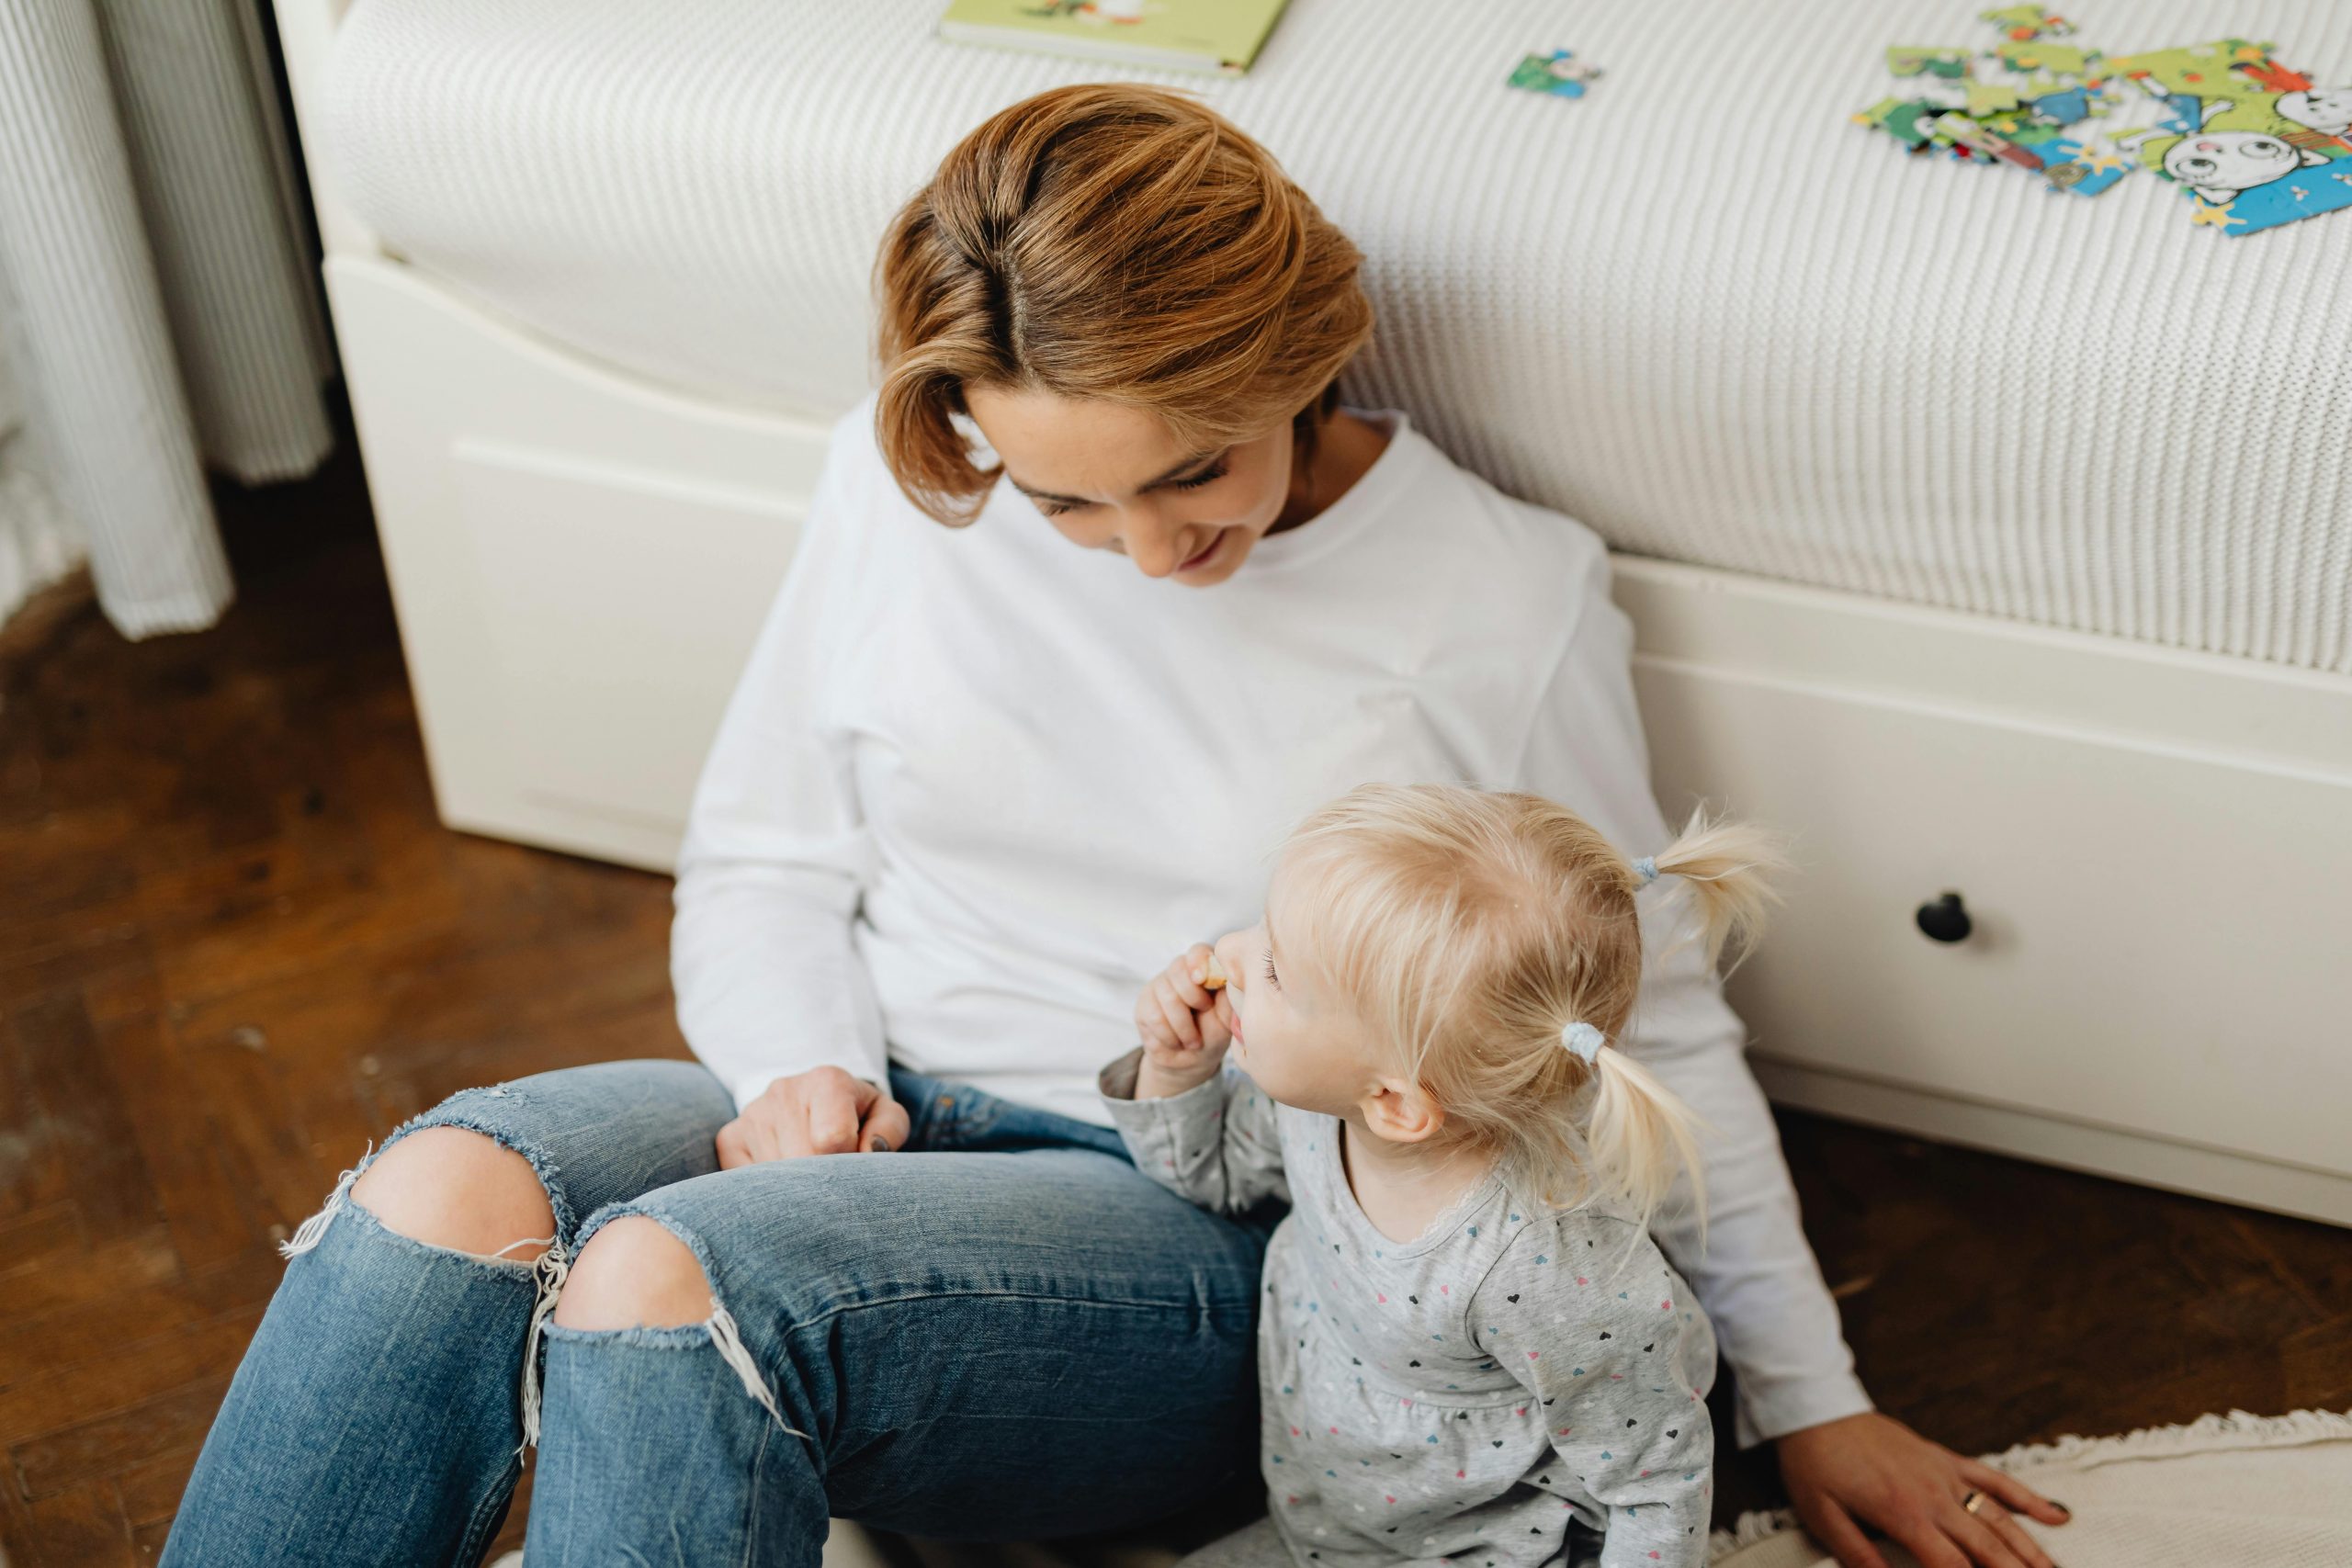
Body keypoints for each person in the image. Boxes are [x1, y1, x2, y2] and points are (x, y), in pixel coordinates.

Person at [163, 84, 2069, 1568]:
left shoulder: (1492, 597)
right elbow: (765, 856)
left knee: (670, 1287)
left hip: (1208, 1209)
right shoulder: (892, 486)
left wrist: (1810, 1399)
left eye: (1194, 469)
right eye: (1066, 503)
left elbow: (1638, 1021)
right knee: (444, 1202)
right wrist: (796, 1060)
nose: (1148, 552)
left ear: (1304, 351)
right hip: (885, 1100)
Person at [1107, 784, 1781, 1568]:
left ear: (1395, 1102)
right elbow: (1207, 1179)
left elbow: (1657, 1480)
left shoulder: (1547, 1262)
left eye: (1277, 970)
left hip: (1484, 1545)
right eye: (1263, 928)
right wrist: (1176, 1067)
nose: (1227, 951)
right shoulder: (1320, 1104)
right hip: (1331, 1519)